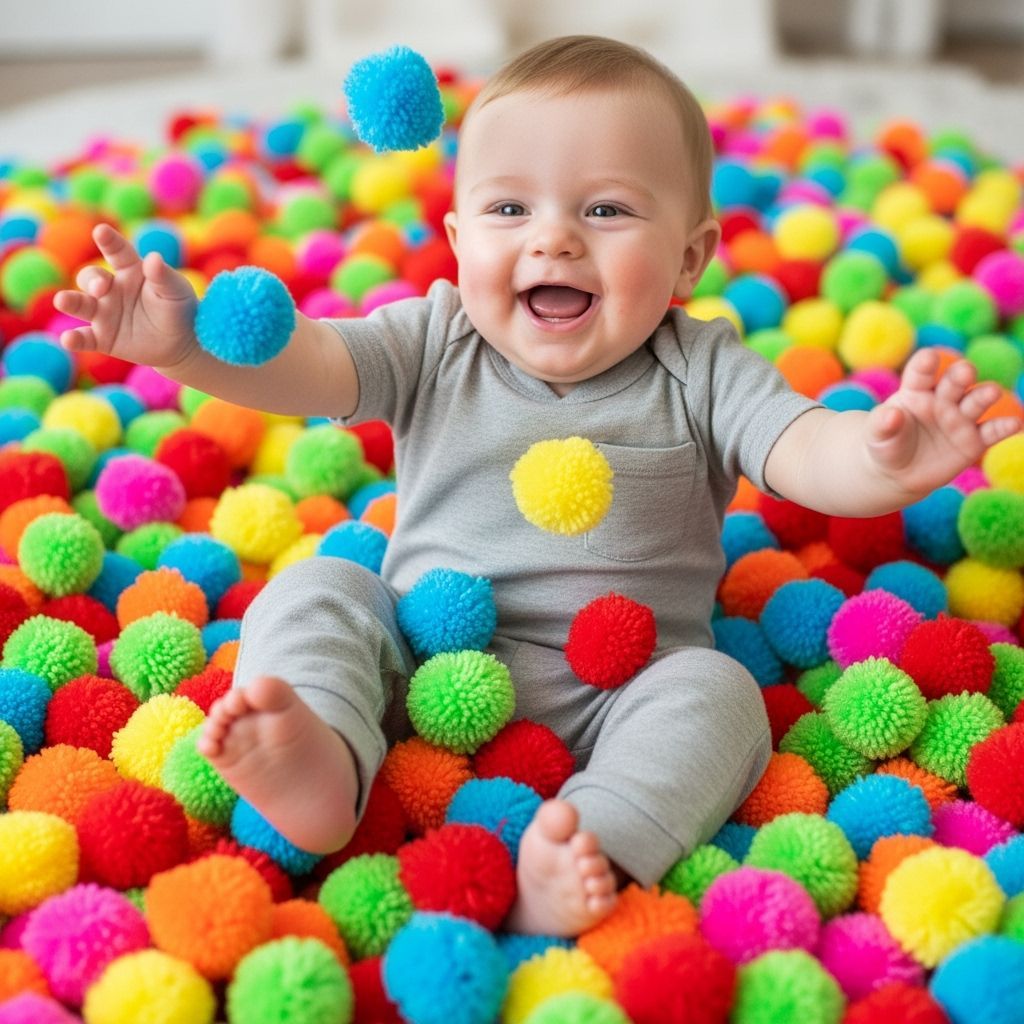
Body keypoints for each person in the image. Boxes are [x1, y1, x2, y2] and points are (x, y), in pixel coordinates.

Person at [54, 35, 1020, 938]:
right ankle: (326, 760)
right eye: (510, 210)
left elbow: (803, 447)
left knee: (720, 693)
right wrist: (186, 347)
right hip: (417, 656)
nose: (553, 239)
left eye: (605, 210)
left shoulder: (703, 368)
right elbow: (307, 364)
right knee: (319, 588)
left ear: (690, 258)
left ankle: (588, 843)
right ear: (459, 235)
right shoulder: (433, 338)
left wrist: (886, 460)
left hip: (621, 695)